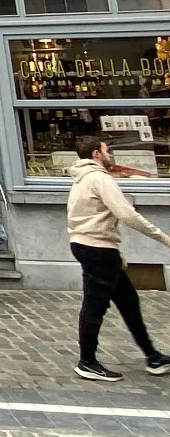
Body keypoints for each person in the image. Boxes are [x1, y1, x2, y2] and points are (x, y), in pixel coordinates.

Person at [67, 134, 170, 382]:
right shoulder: (100, 179)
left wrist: (115, 253)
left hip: (92, 246)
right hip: (96, 249)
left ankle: (152, 356)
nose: (109, 154)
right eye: (106, 150)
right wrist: (164, 238)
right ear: (96, 154)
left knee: (128, 301)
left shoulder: (81, 178)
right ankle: (87, 362)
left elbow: (84, 217)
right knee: (94, 306)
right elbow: (127, 215)